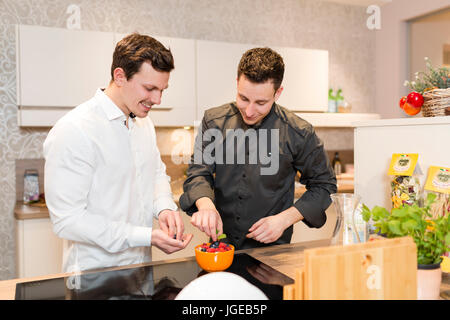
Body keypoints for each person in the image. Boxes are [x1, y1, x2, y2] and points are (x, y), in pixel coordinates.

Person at [44, 33, 192, 273]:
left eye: (162, 89)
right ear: (120, 76)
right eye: (149, 88)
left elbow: (155, 174)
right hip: (95, 275)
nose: (157, 99)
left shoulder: (145, 124)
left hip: (142, 267)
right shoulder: (74, 130)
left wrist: (164, 206)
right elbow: (67, 221)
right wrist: (146, 236)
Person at [179, 47, 337, 249]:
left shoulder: (299, 132)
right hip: (221, 246)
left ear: (278, 93)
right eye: (243, 98)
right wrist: (206, 205)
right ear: (237, 83)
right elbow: (198, 172)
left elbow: (324, 185)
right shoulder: (214, 121)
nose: (250, 111)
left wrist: (285, 219)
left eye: (261, 102)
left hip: (274, 251)